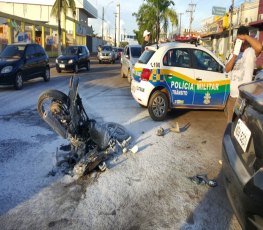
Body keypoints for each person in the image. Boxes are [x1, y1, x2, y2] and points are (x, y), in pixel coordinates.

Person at [225, 26, 262, 122]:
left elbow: (259, 47)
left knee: (241, 126)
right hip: (232, 98)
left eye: (241, 39)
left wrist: (245, 37)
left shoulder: (250, 52)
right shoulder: (235, 54)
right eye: (238, 39)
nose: (239, 42)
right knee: (230, 126)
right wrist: (234, 57)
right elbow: (227, 69)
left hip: (243, 99)